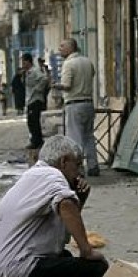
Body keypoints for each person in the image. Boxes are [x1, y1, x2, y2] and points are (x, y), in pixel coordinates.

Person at [0, 135, 108, 277]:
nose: (79, 173)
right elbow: (65, 203)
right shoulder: (52, 176)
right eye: (76, 165)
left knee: (65, 257)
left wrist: (79, 199)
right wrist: (86, 250)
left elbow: (60, 238)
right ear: (63, 161)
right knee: (97, 267)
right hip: (13, 272)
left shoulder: (34, 176)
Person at [54, 38, 98, 176]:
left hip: (74, 104)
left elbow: (67, 86)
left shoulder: (68, 64)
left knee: (75, 139)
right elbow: (92, 74)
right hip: (88, 103)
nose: (59, 49)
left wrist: (55, 85)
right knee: (89, 136)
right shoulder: (87, 61)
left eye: (62, 46)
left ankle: (78, 169)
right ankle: (93, 165)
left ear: (70, 48)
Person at [22, 52, 49, 164]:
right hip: (30, 99)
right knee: (31, 121)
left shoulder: (35, 71)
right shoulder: (27, 72)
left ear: (28, 61)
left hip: (35, 99)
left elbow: (44, 79)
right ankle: (35, 139)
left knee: (34, 121)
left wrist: (38, 89)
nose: (22, 64)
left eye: (24, 61)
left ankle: (37, 141)